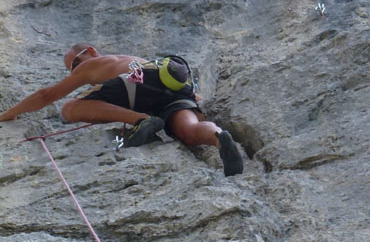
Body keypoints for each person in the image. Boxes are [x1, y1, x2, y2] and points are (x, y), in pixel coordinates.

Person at [0, 43, 244, 176]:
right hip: (173, 88)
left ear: (91, 52)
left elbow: (47, 95)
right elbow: (195, 97)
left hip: (135, 85)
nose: (73, 71)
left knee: (70, 108)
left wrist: (8, 114)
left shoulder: (100, 63)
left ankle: (141, 121)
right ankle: (218, 138)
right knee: (189, 130)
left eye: (75, 63)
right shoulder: (137, 59)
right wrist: (197, 103)